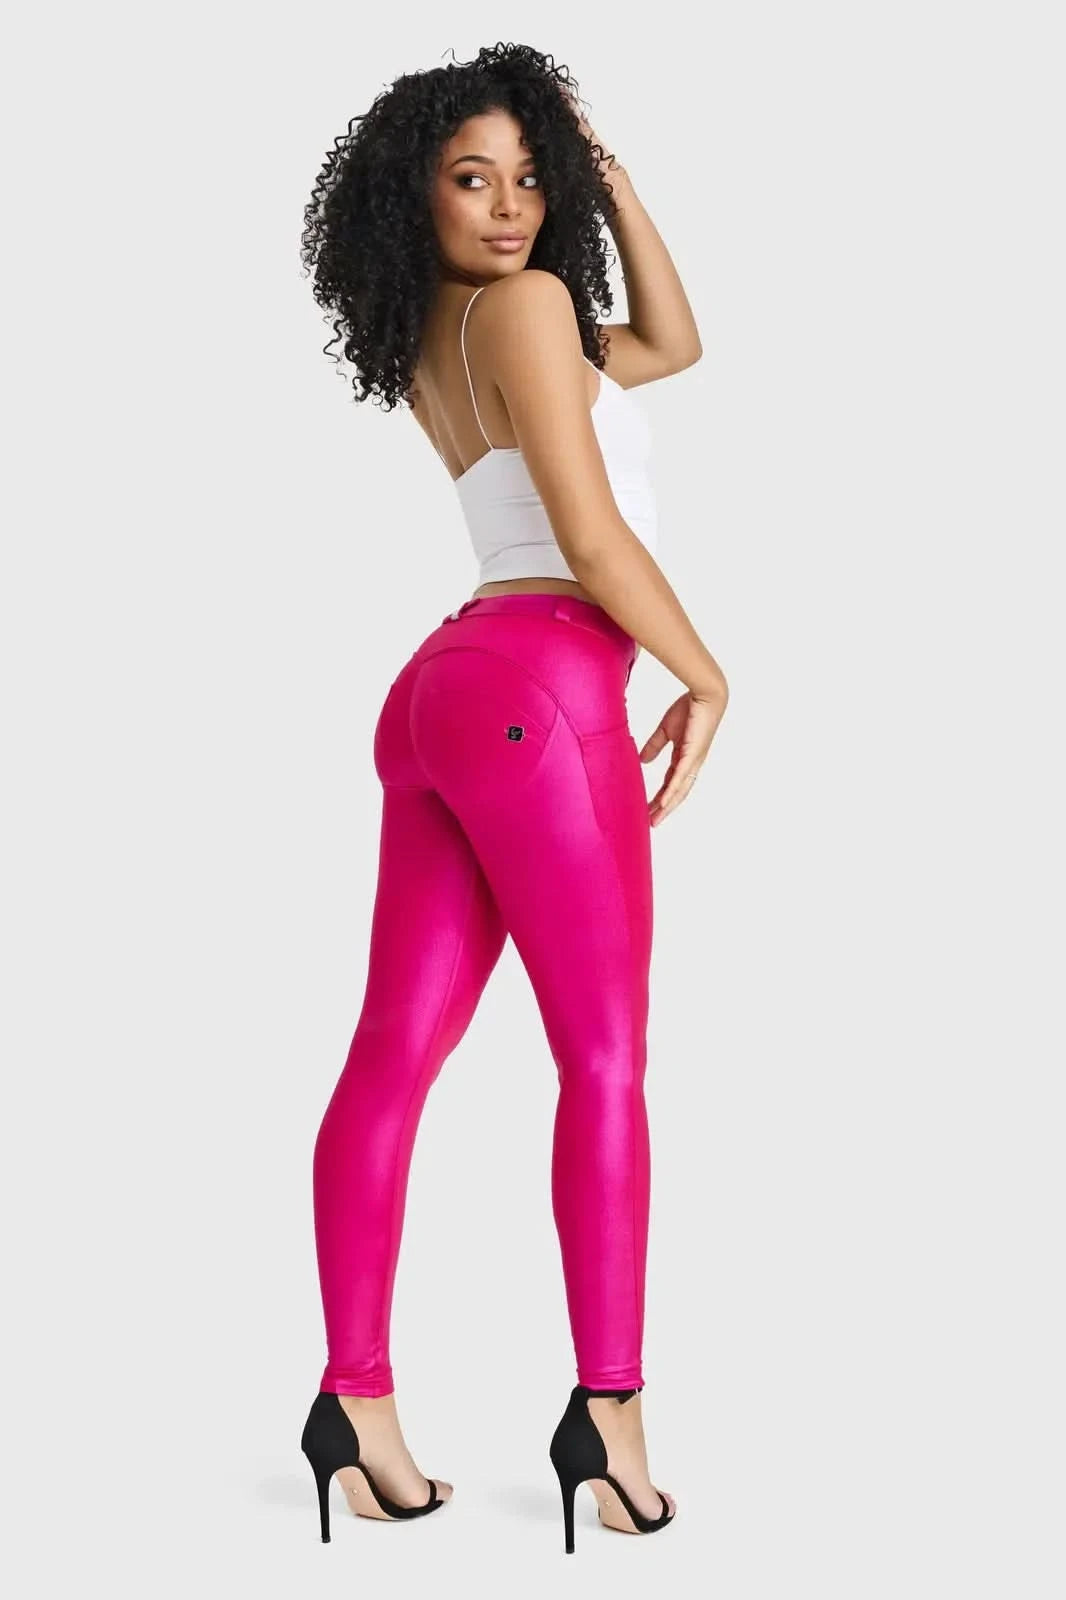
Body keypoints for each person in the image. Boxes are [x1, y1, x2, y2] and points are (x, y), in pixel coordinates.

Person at [297, 43, 728, 1553]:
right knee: (602, 1059)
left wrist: (606, 180)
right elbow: (593, 542)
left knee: (391, 1053)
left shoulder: (447, 328)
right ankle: (608, 1417)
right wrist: (707, 675)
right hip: (543, 692)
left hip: (441, 689)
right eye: (471, 177)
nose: (509, 206)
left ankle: (354, 1406)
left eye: (532, 177)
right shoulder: (530, 310)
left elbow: (670, 343)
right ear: (413, 192)